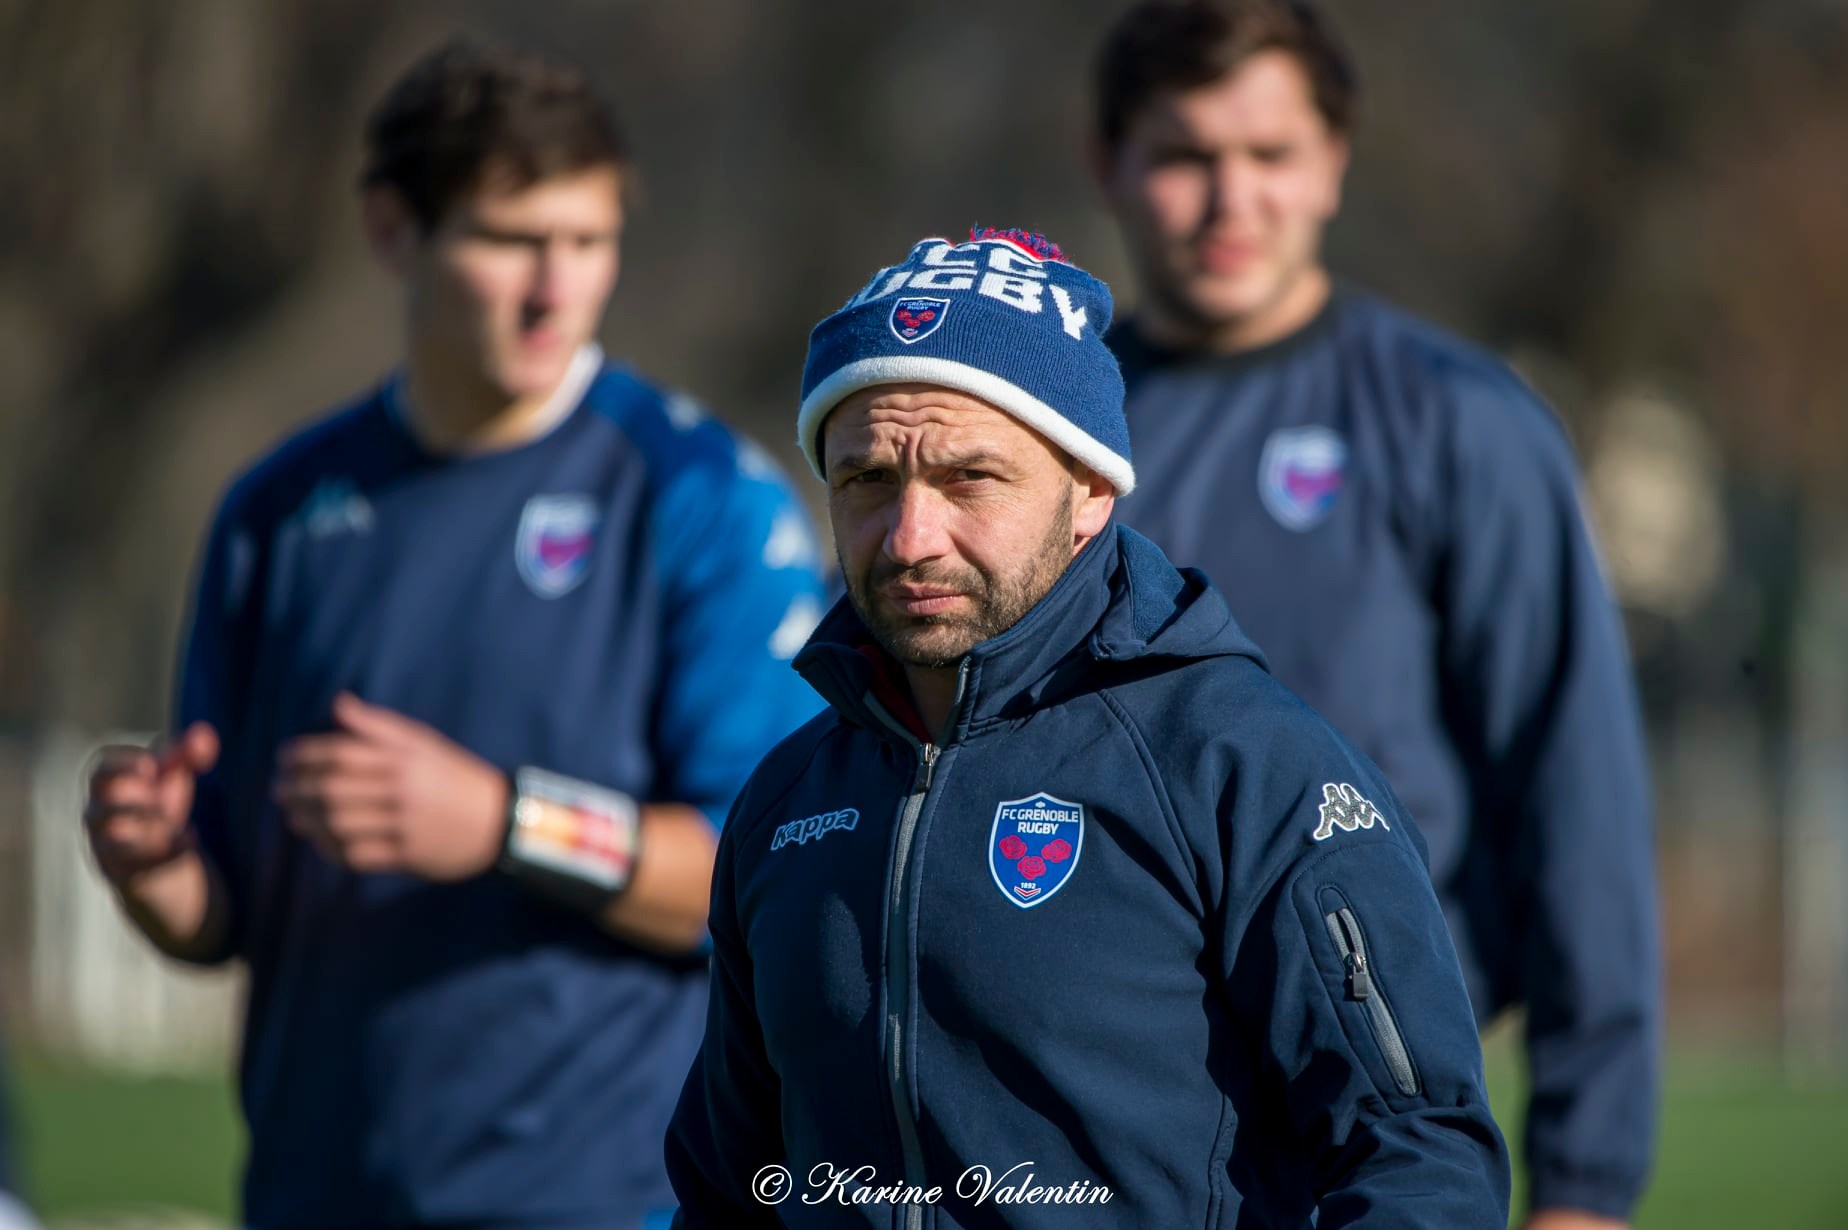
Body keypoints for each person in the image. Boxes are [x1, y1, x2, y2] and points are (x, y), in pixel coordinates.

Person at [80, 39, 824, 1230]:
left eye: (588, 241)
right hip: (313, 1196)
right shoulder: (280, 511)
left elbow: (766, 870)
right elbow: (219, 915)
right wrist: (154, 863)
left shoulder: (697, 496)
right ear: (393, 232)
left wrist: (502, 821)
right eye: (509, 239)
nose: (556, 287)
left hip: (604, 1198)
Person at [665, 228, 1509, 1227]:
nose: (910, 535)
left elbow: (1419, 1158)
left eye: (970, 478)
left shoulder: (1241, 765)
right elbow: (728, 1194)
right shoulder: (786, 803)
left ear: (1091, 490)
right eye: (866, 480)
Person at [1089, 4, 1660, 1228]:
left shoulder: (1465, 424)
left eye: (1272, 154)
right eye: (1187, 156)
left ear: (1336, 161)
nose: (1231, 198)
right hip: (1100, 1118)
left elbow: (1579, 812)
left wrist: (1587, 1185)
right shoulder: (1054, 445)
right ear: (1111, 167)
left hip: (1383, 1119)